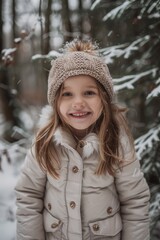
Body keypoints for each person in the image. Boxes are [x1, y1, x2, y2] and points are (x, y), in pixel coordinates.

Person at [15, 39, 150, 240]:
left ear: (104, 99)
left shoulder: (117, 142)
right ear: (55, 102)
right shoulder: (45, 142)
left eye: (89, 92)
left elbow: (135, 202)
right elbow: (28, 197)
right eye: (67, 94)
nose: (78, 102)